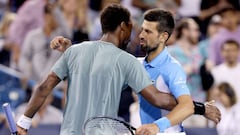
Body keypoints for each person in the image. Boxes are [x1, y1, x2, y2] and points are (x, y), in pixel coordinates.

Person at [17, 4, 220, 135]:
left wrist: (24, 122)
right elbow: (158, 99)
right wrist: (200, 107)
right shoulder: (128, 61)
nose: (137, 35)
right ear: (123, 26)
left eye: (146, 31)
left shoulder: (76, 52)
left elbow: (44, 87)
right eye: (135, 28)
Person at [137, 9, 219, 132]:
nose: (141, 35)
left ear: (163, 36)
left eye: (148, 31)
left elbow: (186, 105)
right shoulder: (137, 64)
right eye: (142, 29)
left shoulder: (171, 67)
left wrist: (156, 126)